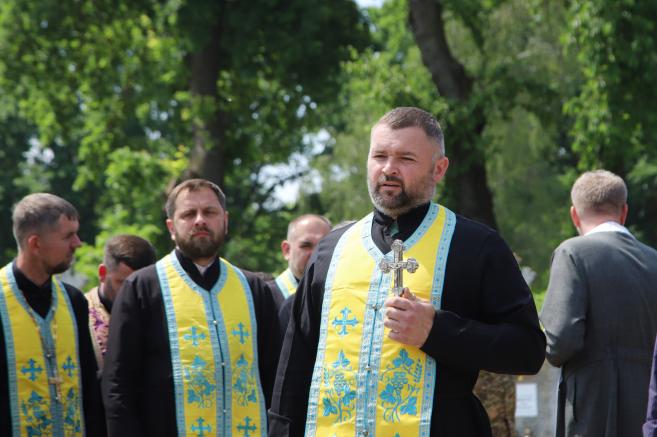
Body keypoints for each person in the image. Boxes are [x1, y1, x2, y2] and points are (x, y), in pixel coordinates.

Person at [269, 107, 545, 437]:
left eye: (406, 158)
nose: (388, 169)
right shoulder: (331, 250)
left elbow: (527, 350)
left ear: (438, 169)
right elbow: (295, 363)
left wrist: (437, 331)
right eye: (379, 156)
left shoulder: (476, 246)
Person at [102, 179, 282, 437]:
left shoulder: (253, 288)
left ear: (225, 220)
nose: (200, 220)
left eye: (209, 212)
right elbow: (118, 385)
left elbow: (275, 378)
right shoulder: (142, 288)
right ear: (171, 227)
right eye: (188, 214)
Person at [540, 170, 657, 437]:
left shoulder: (572, 253)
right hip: (648, 415)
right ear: (624, 211)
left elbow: (559, 344)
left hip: (593, 415)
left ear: (574, 214)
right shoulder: (654, 261)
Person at [0, 193, 105, 436]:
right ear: (35, 244)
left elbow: (89, 387)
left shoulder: (73, 301)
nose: (77, 243)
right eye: (68, 236)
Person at [85, 234, 156, 370]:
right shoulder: (79, 312)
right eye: (124, 284)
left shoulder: (158, 313)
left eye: (142, 286)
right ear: (102, 273)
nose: (134, 294)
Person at [271, 214, 331, 338]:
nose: (315, 253)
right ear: (287, 250)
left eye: (323, 245)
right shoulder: (266, 298)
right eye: (306, 246)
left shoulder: (336, 295)